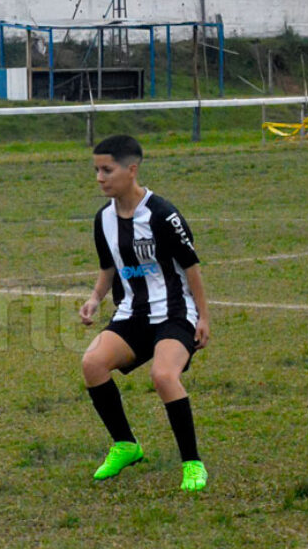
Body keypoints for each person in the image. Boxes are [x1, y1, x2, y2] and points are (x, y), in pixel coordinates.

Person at [78, 135, 210, 492]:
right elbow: (109, 267)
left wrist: (204, 317)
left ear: (131, 170)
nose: (100, 178)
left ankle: (192, 464)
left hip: (174, 312)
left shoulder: (163, 214)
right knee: (92, 363)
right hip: (132, 314)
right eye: (96, 170)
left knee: (163, 376)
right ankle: (126, 444)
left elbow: (192, 267)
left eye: (107, 170)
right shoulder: (103, 219)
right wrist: (94, 298)